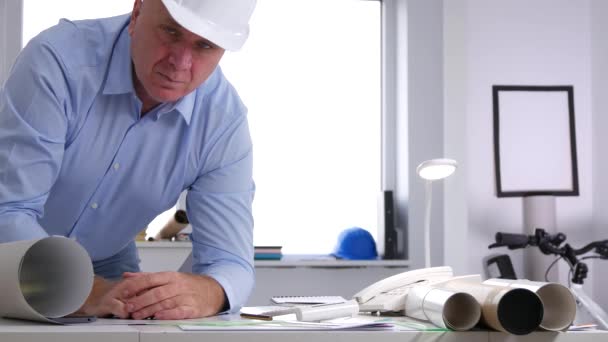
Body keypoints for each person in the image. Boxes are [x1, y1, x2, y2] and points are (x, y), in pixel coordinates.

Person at [0, 0, 257, 320]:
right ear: (137, 12)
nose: (180, 62)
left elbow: (232, 263)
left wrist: (206, 291)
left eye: (204, 45)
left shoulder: (222, 122)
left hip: (109, 270)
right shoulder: (58, 62)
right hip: (9, 259)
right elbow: (9, 211)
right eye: (171, 31)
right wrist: (86, 290)